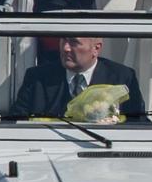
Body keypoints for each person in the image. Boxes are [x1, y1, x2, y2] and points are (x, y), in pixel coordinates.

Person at [10, 36, 144, 120]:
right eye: (63, 40)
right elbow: (13, 122)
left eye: (74, 42)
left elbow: (138, 124)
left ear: (96, 49)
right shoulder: (37, 78)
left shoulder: (122, 77)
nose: (65, 48)